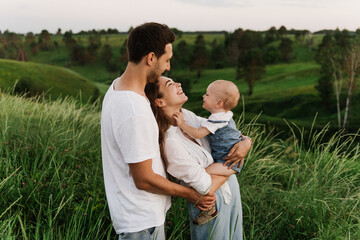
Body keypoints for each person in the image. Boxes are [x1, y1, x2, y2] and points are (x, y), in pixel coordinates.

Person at [101, 22, 216, 240]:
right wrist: (191, 194)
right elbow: (143, 179)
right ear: (151, 58)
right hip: (141, 222)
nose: (169, 67)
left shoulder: (118, 86)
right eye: (167, 60)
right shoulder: (133, 109)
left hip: (137, 217)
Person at [145, 76, 252, 239]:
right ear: (159, 102)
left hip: (230, 190)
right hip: (209, 205)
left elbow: (222, 129)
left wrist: (246, 142)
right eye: (170, 84)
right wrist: (232, 168)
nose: (178, 83)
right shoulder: (170, 142)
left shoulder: (186, 116)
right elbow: (205, 187)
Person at [173, 79, 250, 224]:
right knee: (207, 180)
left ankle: (209, 209)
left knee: (203, 176)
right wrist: (246, 140)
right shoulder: (223, 116)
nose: (203, 96)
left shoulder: (217, 120)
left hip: (227, 161)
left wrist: (181, 124)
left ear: (219, 103)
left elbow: (198, 133)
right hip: (227, 161)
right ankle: (210, 208)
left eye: (207, 95)